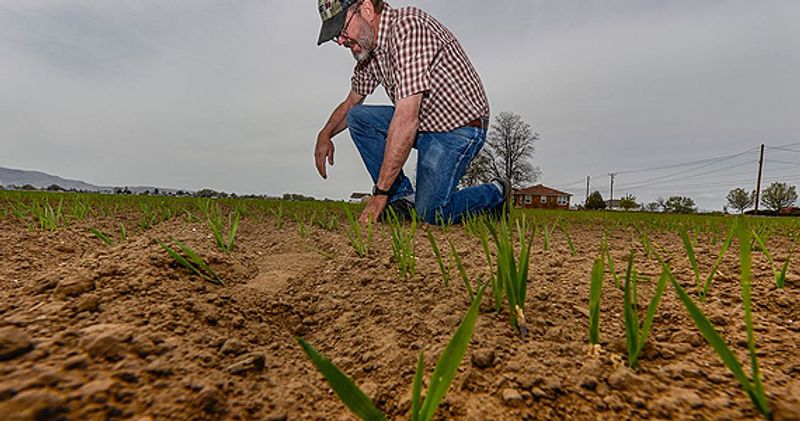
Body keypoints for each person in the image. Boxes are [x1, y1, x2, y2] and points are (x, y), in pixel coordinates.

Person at [314, 0, 509, 224]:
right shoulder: (371, 52)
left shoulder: (408, 28)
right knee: (358, 118)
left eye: (341, 29)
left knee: (432, 213)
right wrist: (325, 134)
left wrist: (379, 195)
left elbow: (406, 119)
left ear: (367, 10)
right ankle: (403, 199)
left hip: (459, 128)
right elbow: (351, 103)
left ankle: (497, 192)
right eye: (335, 36)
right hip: (426, 123)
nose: (340, 41)